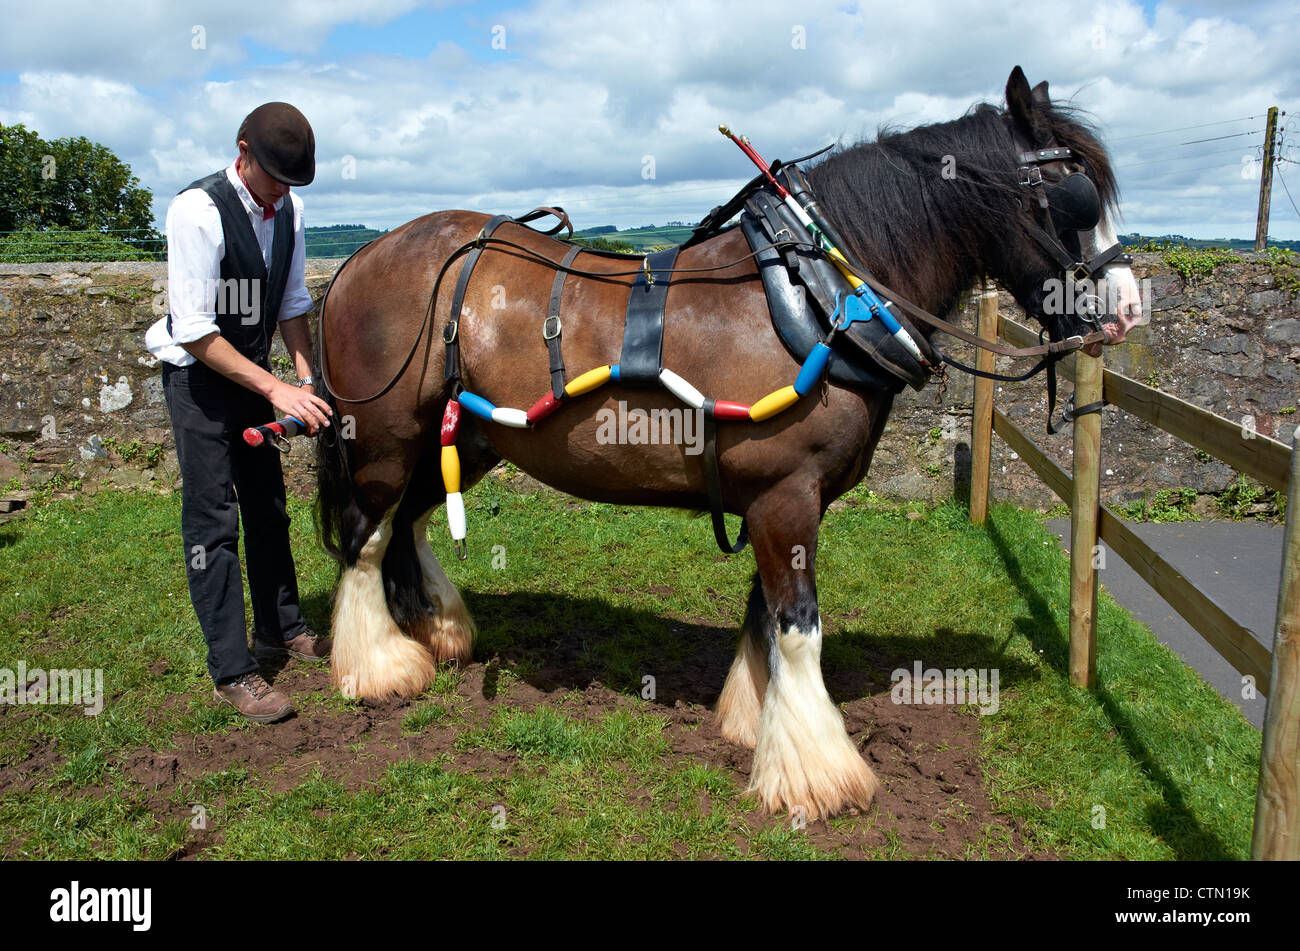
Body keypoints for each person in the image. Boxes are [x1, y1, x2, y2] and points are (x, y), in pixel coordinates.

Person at [144, 102, 335, 723]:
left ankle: (281, 630)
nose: (281, 193)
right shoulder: (196, 212)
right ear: (242, 150)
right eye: (274, 178)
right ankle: (232, 670)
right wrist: (277, 391)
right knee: (213, 522)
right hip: (197, 381)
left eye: (292, 183)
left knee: (268, 508)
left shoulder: (291, 211)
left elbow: (292, 300)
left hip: (252, 373)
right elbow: (196, 331)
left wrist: (305, 377)